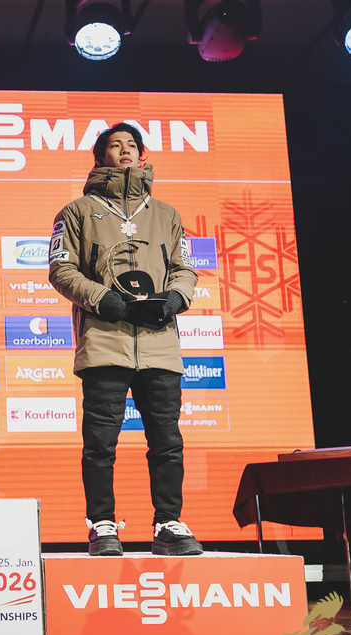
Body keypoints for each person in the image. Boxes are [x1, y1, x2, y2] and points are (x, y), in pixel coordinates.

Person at [48, 122, 203, 556]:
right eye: (115, 145)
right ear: (101, 157)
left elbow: (185, 268)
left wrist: (177, 297)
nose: (125, 150)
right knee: (100, 444)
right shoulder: (76, 211)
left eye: (132, 144)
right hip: (104, 342)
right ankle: (102, 525)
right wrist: (102, 299)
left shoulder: (166, 214)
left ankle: (168, 524)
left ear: (141, 153)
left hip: (160, 344)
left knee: (167, 442)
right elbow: (61, 269)